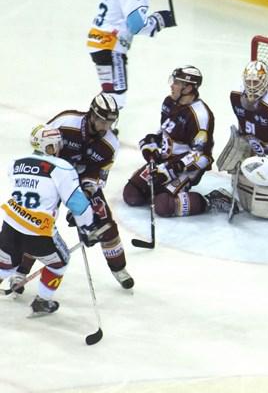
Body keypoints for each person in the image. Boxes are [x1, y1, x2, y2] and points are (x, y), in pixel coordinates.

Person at [15, 94, 134, 289]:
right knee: (37, 221)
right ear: (92, 115)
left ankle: (119, 268)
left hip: (81, 182)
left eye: (110, 122)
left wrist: (83, 202)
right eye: (103, 121)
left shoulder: (110, 144)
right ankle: (20, 271)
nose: (106, 127)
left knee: (105, 223)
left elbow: (99, 174)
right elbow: (40, 144)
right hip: (53, 177)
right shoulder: (66, 122)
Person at [0, 125, 105, 315]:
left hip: (11, 224)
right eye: (56, 144)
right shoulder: (62, 167)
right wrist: (88, 227)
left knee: (6, 265)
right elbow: (77, 204)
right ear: (48, 146)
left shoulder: (15, 163)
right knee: (60, 262)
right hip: (39, 232)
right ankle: (42, 301)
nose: (58, 148)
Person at [122, 65, 226, 217]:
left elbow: (202, 156)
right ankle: (161, 189)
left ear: (188, 88)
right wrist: (151, 145)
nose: (172, 85)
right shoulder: (169, 102)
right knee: (132, 194)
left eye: (177, 83)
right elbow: (164, 132)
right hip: (165, 162)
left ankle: (211, 200)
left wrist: (174, 168)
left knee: (163, 206)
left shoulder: (200, 115)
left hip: (186, 168)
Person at [87, 0, 175, 110]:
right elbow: (136, 26)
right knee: (116, 100)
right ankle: (97, 125)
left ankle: (94, 122)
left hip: (97, 41)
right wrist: (160, 20)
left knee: (109, 94)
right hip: (112, 46)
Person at [215, 60, 268, 220]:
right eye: (249, 82)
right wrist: (242, 141)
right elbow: (243, 120)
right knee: (244, 168)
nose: (252, 86)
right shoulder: (235, 95)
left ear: (265, 81)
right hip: (257, 143)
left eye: (256, 82)